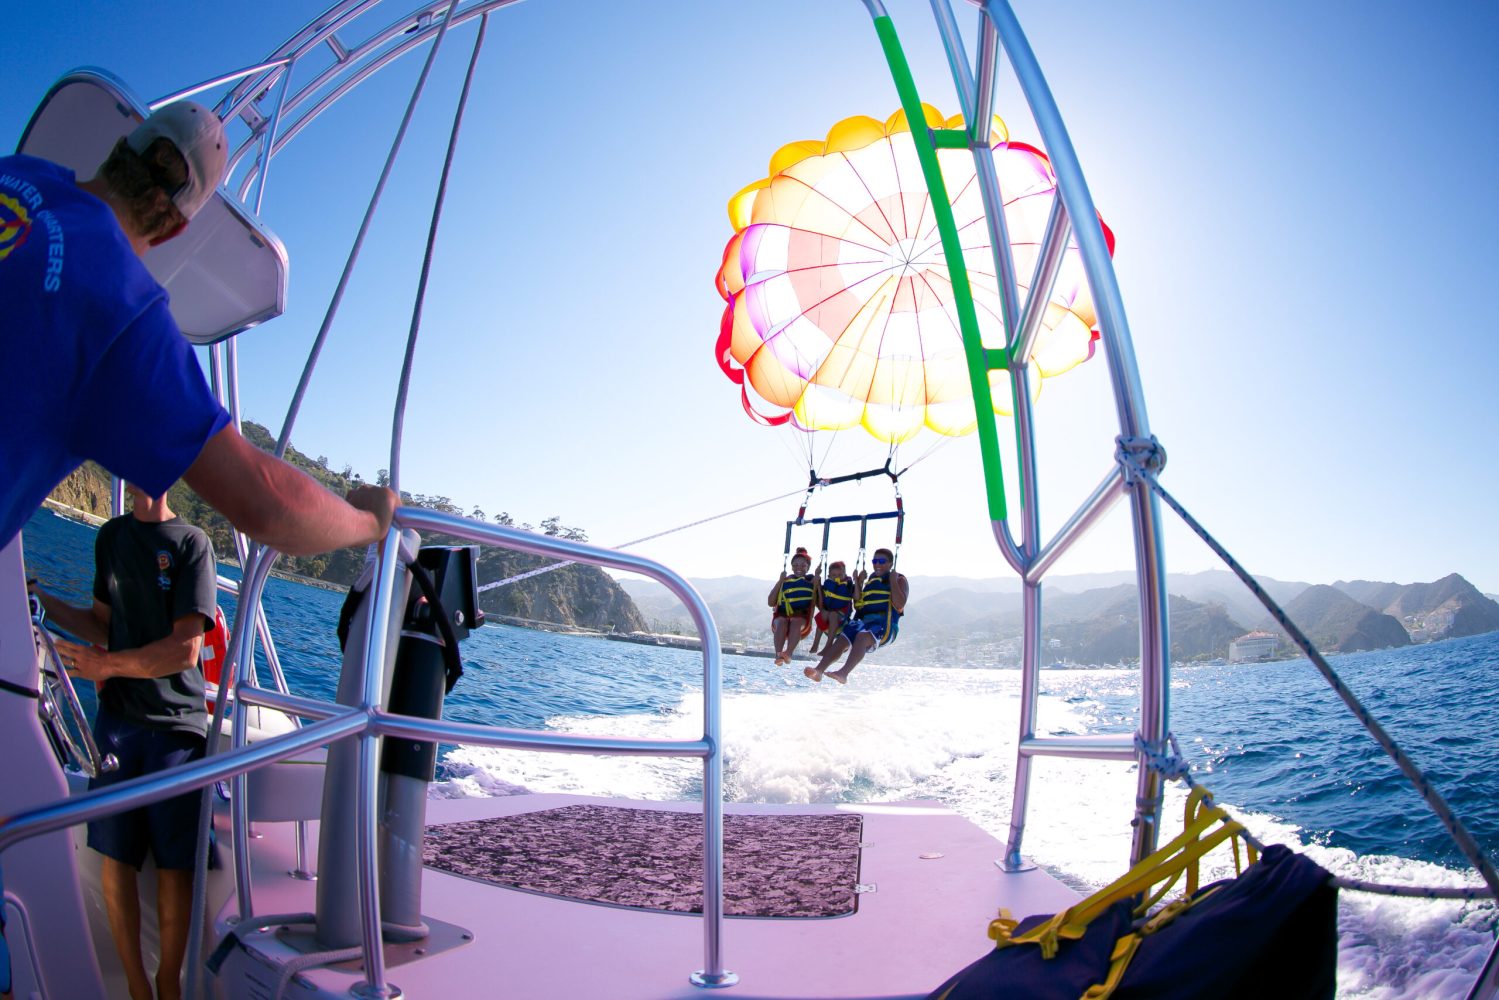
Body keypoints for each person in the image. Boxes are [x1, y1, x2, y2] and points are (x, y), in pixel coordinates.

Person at [0, 100, 397, 557]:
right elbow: (264, 500)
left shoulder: (19, 172)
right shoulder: (125, 314)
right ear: (175, 229)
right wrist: (370, 521)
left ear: (117, 149)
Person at [30, 484, 216, 1000]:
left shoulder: (192, 542)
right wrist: (43, 600)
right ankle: (136, 987)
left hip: (176, 724)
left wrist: (104, 665)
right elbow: (103, 624)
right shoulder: (110, 537)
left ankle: (168, 985)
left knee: (175, 865)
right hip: (117, 721)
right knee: (117, 856)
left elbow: (186, 649)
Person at [804, 548, 909, 685]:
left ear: (890, 564)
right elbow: (859, 605)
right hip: (864, 623)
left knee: (861, 636)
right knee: (844, 638)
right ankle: (819, 671)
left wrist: (893, 581)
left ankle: (843, 673)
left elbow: (900, 604)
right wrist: (858, 582)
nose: (877, 564)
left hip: (885, 626)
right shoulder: (871, 581)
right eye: (875, 561)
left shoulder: (900, 579)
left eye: (882, 561)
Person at [768, 547, 819, 665]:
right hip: (781, 617)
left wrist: (817, 585)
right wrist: (780, 581)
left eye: (803, 565)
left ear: (808, 567)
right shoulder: (785, 581)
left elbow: (820, 604)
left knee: (795, 621)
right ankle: (778, 654)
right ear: (791, 567)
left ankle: (788, 653)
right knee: (781, 621)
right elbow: (770, 602)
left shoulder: (811, 582)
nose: (799, 568)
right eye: (795, 565)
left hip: (802, 620)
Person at [809, 560, 854, 655]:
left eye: (840, 575)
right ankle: (815, 644)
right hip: (828, 614)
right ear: (829, 576)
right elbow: (821, 603)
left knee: (833, 614)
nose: (837, 577)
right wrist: (817, 582)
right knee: (823, 613)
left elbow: (857, 596)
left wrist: (859, 581)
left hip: (842, 618)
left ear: (845, 575)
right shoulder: (827, 585)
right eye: (834, 575)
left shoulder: (849, 585)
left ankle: (828, 646)